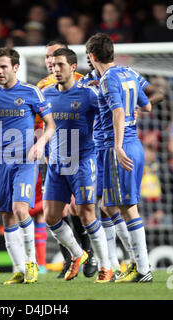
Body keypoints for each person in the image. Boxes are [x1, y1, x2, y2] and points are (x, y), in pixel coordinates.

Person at [0, 47, 56, 284]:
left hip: (26, 161)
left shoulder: (31, 92)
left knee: (20, 209)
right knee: (6, 216)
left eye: (3, 66)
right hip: (2, 164)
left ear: (15, 67)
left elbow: (50, 125)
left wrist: (41, 143)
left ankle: (32, 263)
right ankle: (18, 269)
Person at [80, 38, 164, 279]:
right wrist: (132, 108)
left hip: (118, 146)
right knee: (106, 205)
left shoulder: (108, 79)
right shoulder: (129, 73)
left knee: (128, 208)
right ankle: (123, 264)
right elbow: (147, 106)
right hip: (127, 144)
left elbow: (117, 111)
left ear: (92, 56)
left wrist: (117, 146)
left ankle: (143, 269)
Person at [42, 48, 112, 283]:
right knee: (50, 216)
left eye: (60, 64)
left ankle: (105, 266)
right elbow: (46, 126)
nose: (55, 69)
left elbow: (110, 114)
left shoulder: (88, 94)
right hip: (55, 163)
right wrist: (44, 152)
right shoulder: (46, 94)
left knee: (86, 213)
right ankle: (77, 253)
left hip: (82, 161)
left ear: (73, 67)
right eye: (52, 64)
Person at [37, 39, 97, 279]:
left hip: (79, 154)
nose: (51, 61)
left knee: (78, 207)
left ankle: (89, 253)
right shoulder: (42, 87)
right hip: (53, 155)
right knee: (55, 212)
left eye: (54, 56)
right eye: (47, 57)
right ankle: (69, 258)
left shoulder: (83, 82)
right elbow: (38, 122)